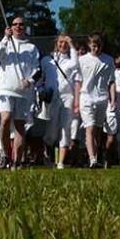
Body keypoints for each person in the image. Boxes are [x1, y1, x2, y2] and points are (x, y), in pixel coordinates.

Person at [0, 17, 41, 169]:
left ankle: (17, 160)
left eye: (21, 24)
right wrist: (5, 39)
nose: (18, 27)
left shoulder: (32, 48)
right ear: (10, 27)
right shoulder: (6, 44)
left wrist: (30, 81)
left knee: (20, 126)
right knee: (5, 119)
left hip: (23, 92)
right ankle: (4, 155)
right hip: (5, 89)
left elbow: (37, 70)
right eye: (15, 25)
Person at [40, 34, 80, 169]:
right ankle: (47, 155)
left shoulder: (70, 60)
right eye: (61, 42)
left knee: (66, 127)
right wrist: (41, 90)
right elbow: (40, 78)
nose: (63, 45)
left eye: (66, 43)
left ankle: (61, 162)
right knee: (51, 129)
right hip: (52, 98)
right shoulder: (47, 60)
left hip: (67, 96)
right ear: (56, 44)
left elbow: (75, 64)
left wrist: (72, 45)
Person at [76, 34, 117, 168]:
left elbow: (111, 81)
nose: (96, 49)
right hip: (86, 97)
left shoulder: (108, 60)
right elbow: (78, 82)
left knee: (98, 130)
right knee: (90, 127)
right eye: (93, 46)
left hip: (102, 98)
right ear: (89, 45)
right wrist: (77, 101)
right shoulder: (82, 60)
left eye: (98, 46)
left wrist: (113, 100)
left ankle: (96, 156)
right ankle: (92, 159)